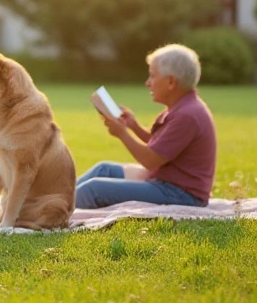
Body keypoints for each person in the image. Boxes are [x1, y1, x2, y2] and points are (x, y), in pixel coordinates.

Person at [75, 44, 216, 209]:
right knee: (104, 169)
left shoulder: (187, 115)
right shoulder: (182, 107)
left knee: (93, 189)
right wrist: (133, 126)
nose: (147, 83)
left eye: (153, 76)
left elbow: (151, 160)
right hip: (169, 183)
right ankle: (51, 199)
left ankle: (51, 212)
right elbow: (162, 145)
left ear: (171, 81)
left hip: (181, 193)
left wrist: (123, 134)